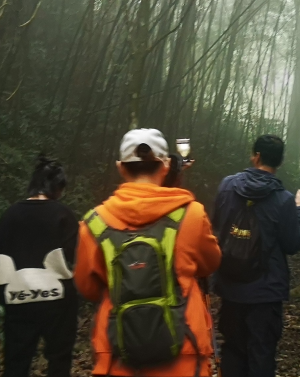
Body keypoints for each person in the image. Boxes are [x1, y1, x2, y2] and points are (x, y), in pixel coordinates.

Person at [74, 128, 221, 377]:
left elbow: (88, 288)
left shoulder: (93, 223)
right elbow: (210, 263)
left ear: (120, 167)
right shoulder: (192, 214)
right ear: (165, 166)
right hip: (184, 354)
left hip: (118, 355)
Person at [212, 134, 300, 377]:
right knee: (262, 353)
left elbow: (216, 227)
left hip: (231, 286)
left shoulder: (227, 186)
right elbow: (292, 244)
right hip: (265, 293)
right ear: (279, 162)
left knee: (233, 349)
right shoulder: (284, 199)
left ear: (256, 156)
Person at [0, 155, 79, 377]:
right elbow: (77, 255)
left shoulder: (11, 214)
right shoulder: (63, 214)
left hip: (17, 298)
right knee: (59, 357)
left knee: (16, 360)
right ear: (58, 187)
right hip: (58, 300)